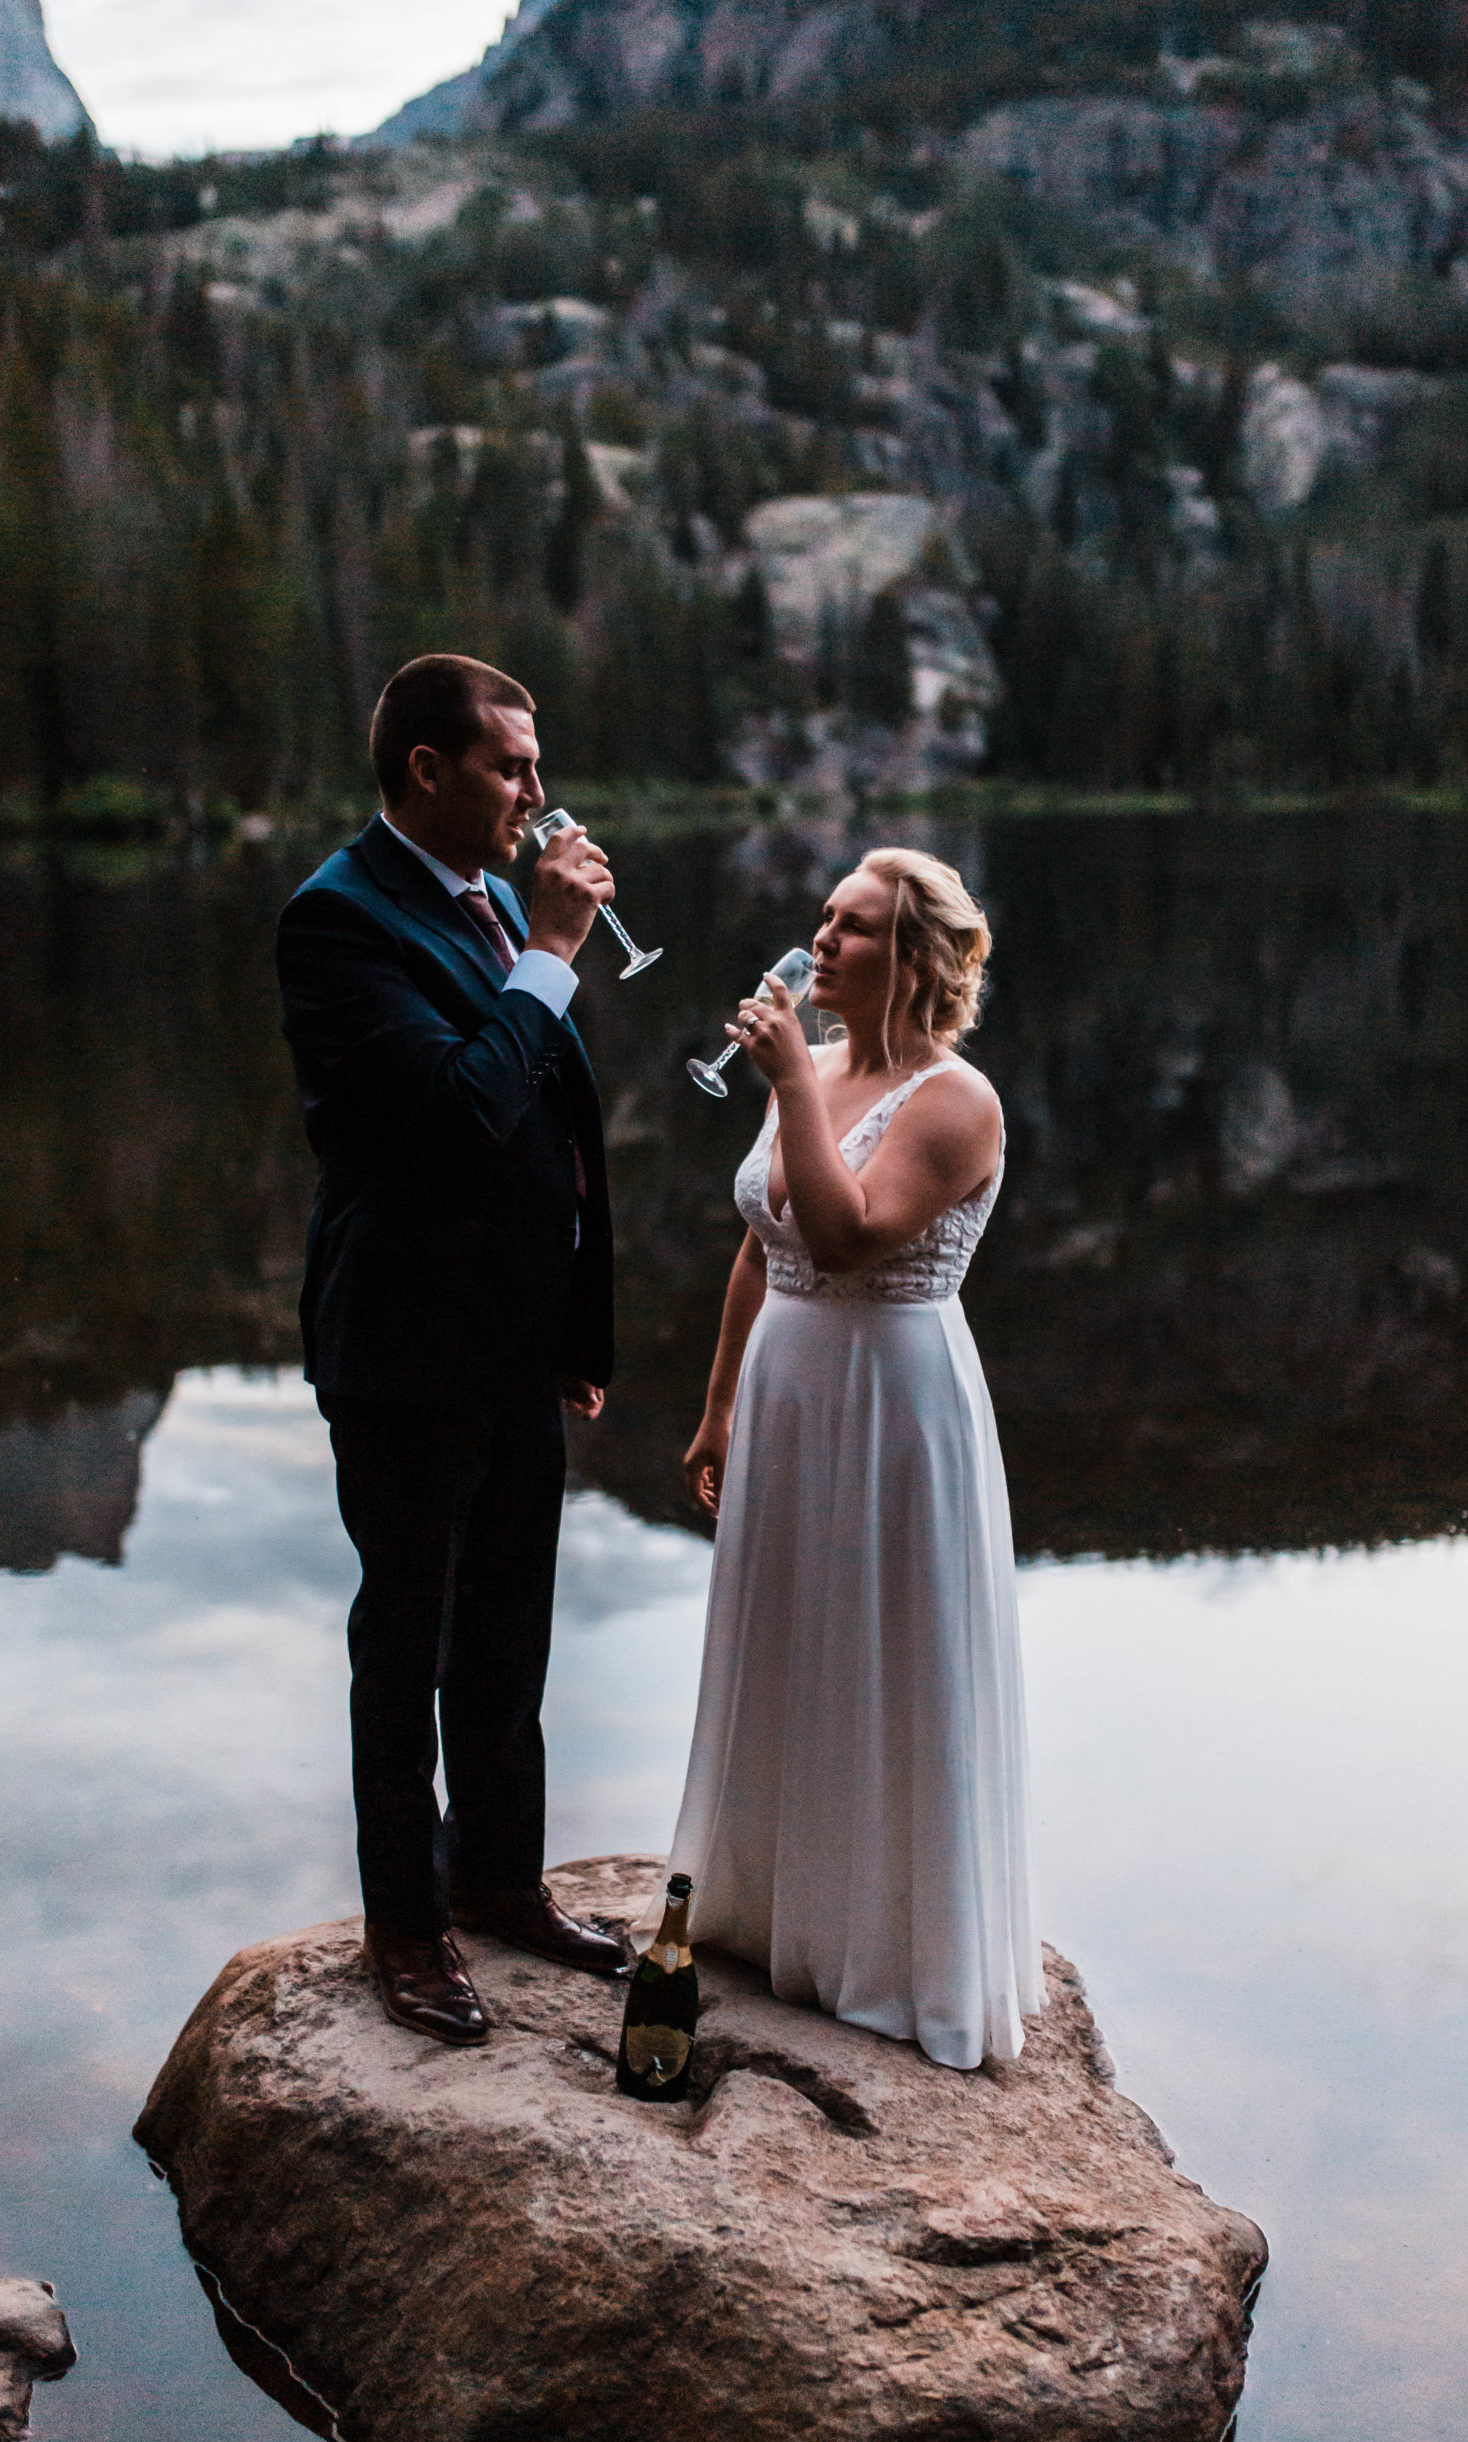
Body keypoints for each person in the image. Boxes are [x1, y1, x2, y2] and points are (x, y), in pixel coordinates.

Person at [276, 653, 630, 2047]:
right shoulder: (337, 922)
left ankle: (496, 1880)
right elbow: (453, 1116)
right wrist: (548, 956)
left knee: (506, 1629)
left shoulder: (485, 903)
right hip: (404, 1345)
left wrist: (576, 1331)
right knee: (405, 1639)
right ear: (427, 770)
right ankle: (407, 1927)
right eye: (509, 769)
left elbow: (562, 1139)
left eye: (536, 768)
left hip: (512, 1341)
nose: (537, 796)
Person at [673, 849, 1039, 2070]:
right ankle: (773, 1912)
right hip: (790, 1390)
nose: (818, 943)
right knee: (790, 1635)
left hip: (893, 1402)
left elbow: (842, 1240)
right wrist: (722, 1402)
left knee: (886, 1646)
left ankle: (887, 1952)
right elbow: (762, 1242)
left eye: (854, 928)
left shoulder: (956, 1100)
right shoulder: (820, 1065)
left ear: (918, 959)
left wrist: (784, 1088)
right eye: (820, 918)